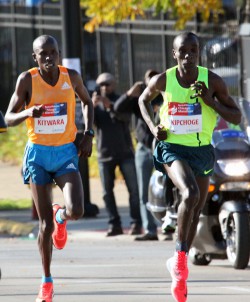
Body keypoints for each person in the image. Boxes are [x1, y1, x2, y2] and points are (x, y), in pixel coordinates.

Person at [138, 31, 241, 302]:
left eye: (193, 50)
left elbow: (237, 116)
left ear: (199, 52)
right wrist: (153, 127)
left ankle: (177, 264)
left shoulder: (213, 81)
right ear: (174, 54)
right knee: (190, 193)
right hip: (172, 147)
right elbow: (142, 100)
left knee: (196, 209)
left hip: (202, 150)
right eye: (183, 50)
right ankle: (181, 257)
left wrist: (211, 101)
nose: (188, 55)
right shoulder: (165, 79)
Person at [5, 35, 94, 302]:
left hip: (66, 151)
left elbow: (87, 102)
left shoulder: (72, 76)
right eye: (43, 54)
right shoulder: (27, 80)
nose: (48, 57)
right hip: (38, 155)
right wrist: (28, 113)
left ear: (58, 54)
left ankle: (62, 217)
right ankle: (46, 281)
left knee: (77, 210)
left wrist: (88, 133)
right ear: (35, 57)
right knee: (43, 225)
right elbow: (8, 117)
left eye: (52, 52)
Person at [114, 69, 163, 241]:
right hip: (144, 149)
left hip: (164, 148)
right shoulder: (140, 99)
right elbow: (117, 108)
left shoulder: (166, 97)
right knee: (143, 192)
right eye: (149, 80)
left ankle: (169, 227)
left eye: (156, 79)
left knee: (168, 189)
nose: (152, 83)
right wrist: (129, 93)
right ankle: (150, 230)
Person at [92, 72, 142, 236]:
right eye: (101, 85)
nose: (104, 87)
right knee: (107, 192)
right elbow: (90, 125)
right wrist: (91, 108)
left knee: (134, 190)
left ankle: (136, 223)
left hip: (125, 152)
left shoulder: (122, 100)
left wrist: (110, 107)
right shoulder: (95, 103)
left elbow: (126, 118)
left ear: (114, 84)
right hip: (104, 154)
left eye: (107, 84)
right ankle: (114, 224)